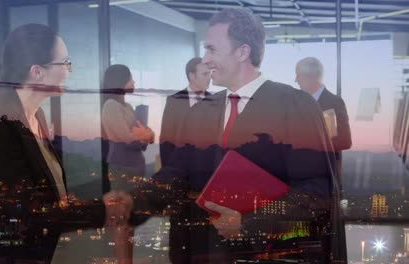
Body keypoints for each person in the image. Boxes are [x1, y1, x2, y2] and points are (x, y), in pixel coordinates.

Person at [127, 8, 342, 263]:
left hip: (267, 252)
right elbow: (177, 173)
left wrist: (250, 223)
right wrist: (130, 204)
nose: (205, 60)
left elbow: (316, 193)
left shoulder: (295, 106)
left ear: (242, 52)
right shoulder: (201, 112)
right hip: (206, 250)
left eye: (212, 49)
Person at [0, 24, 129, 263]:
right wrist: (101, 211)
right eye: (65, 63)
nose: (70, 70)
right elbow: (26, 211)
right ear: (37, 72)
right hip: (2, 255)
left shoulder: (36, 115)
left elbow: (50, 195)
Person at [296, 57, 352, 189]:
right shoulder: (296, 103)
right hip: (298, 180)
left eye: (298, 75)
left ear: (309, 77)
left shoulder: (334, 102)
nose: (295, 80)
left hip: (325, 180)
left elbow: (345, 141)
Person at [101, 64, 155, 181]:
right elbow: (128, 140)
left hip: (136, 165)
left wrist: (147, 134)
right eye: (130, 78)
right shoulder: (111, 106)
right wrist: (146, 135)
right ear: (120, 81)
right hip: (122, 167)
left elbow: (140, 131)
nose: (134, 81)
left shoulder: (128, 107)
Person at [159, 57, 211, 166]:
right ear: (192, 76)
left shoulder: (215, 101)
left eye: (209, 73)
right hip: (180, 167)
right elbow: (166, 139)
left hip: (206, 167)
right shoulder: (174, 100)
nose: (209, 78)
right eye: (205, 74)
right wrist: (168, 171)